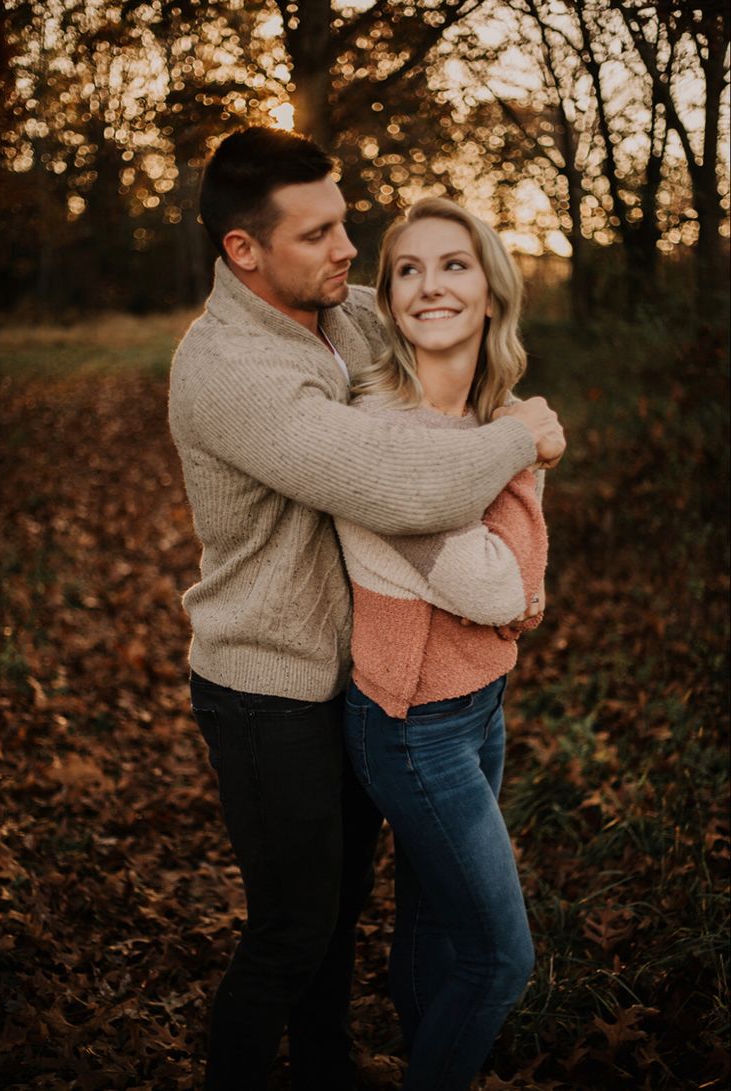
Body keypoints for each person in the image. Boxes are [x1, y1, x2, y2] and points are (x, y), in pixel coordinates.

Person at [168, 126, 565, 1091]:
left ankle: (327, 1069)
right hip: (266, 686)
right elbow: (399, 487)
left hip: (360, 676)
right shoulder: (230, 370)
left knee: (339, 912)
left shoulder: (342, 315)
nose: (350, 249)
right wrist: (520, 439)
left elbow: (436, 321)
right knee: (291, 931)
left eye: (347, 224)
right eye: (320, 234)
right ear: (244, 251)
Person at [336, 197, 549, 1091]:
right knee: (501, 959)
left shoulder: (489, 421)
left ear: (491, 293)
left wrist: (507, 454)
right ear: (387, 302)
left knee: (432, 924)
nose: (431, 286)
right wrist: (524, 457)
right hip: (414, 726)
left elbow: (510, 587)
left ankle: (425, 1048)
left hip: (480, 703)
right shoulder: (379, 435)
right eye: (408, 270)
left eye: (453, 264)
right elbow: (503, 588)